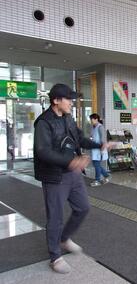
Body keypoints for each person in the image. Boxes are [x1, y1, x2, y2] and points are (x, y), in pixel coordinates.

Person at [34, 83, 112, 274]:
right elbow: (42, 151)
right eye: (68, 99)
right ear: (56, 101)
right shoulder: (43, 122)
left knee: (83, 207)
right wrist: (70, 162)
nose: (71, 102)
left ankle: (64, 238)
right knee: (55, 217)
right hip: (55, 176)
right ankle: (55, 257)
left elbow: (79, 138)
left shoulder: (68, 118)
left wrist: (99, 144)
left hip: (73, 174)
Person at [89, 113, 110, 187]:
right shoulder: (93, 127)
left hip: (100, 149)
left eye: (92, 119)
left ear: (96, 119)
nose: (91, 121)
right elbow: (91, 136)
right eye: (90, 119)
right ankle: (106, 175)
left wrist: (102, 149)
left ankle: (97, 180)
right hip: (94, 149)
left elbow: (103, 139)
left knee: (97, 164)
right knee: (96, 164)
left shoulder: (100, 127)